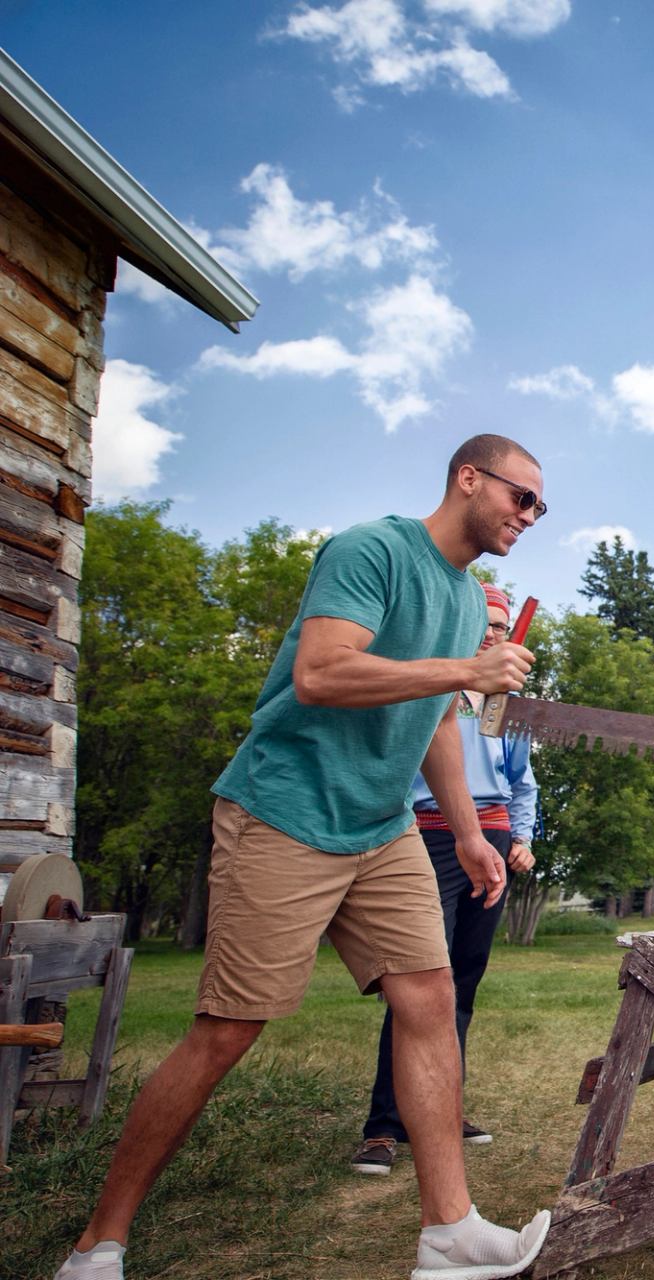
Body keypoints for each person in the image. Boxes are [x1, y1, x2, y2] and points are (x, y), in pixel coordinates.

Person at [55, 435, 553, 1280]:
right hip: (286, 809)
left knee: (429, 997)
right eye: (522, 497)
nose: (530, 517)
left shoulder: (469, 600)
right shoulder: (373, 550)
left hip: (384, 820)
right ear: (469, 479)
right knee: (227, 1030)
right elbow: (322, 673)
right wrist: (469, 668)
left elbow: (435, 721)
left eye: (539, 508)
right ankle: (97, 1245)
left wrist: (470, 833)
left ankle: (450, 1230)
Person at [351, 582, 538, 1176]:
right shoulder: (427, 680)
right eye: (482, 625)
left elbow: (522, 777)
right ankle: (384, 1126)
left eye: (500, 629)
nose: (491, 636)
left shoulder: (505, 701)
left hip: (496, 836)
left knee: (463, 984)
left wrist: (523, 837)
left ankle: (440, 1110)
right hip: (430, 836)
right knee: (416, 983)